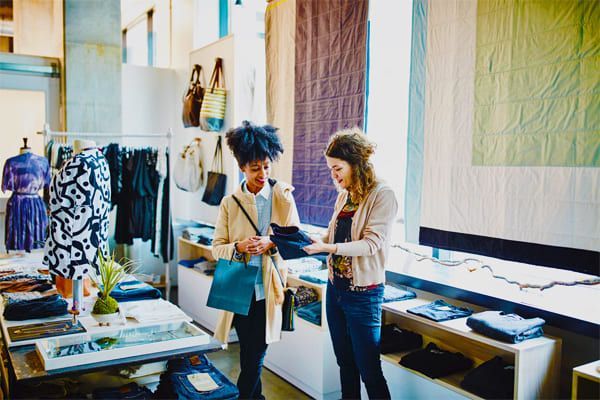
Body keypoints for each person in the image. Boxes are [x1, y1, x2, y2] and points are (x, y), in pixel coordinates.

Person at [304, 127, 397, 399]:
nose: (333, 175)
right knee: (345, 363)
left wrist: (328, 247)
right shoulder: (345, 193)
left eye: (337, 168)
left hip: (364, 295)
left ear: (355, 163)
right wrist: (314, 239)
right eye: (331, 169)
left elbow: (371, 244)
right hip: (336, 290)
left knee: (369, 370)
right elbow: (334, 235)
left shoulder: (382, 194)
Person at [212, 120, 300, 399]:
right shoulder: (229, 202)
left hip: (269, 286)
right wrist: (238, 246)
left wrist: (271, 242)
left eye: (266, 166)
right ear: (241, 168)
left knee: (256, 355)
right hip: (237, 286)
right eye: (254, 168)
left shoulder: (283, 197)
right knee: (248, 352)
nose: (262, 173)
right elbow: (217, 248)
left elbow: (296, 243)